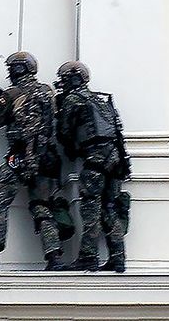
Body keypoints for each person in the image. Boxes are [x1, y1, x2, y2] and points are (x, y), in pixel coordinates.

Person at [0, 52, 64, 272]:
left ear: (15, 70)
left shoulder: (11, 94)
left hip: (18, 158)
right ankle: (54, 256)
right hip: (46, 158)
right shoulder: (48, 91)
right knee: (43, 207)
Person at [55, 61, 130, 272]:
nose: (63, 83)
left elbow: (64, 132)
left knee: (91, 208)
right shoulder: (103, 99)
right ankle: (118, 256)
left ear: (73, 78)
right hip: (115, 161)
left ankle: (88, 256)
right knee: (109, 208)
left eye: (65, 78)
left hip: (94, 160)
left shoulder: (73, 99)